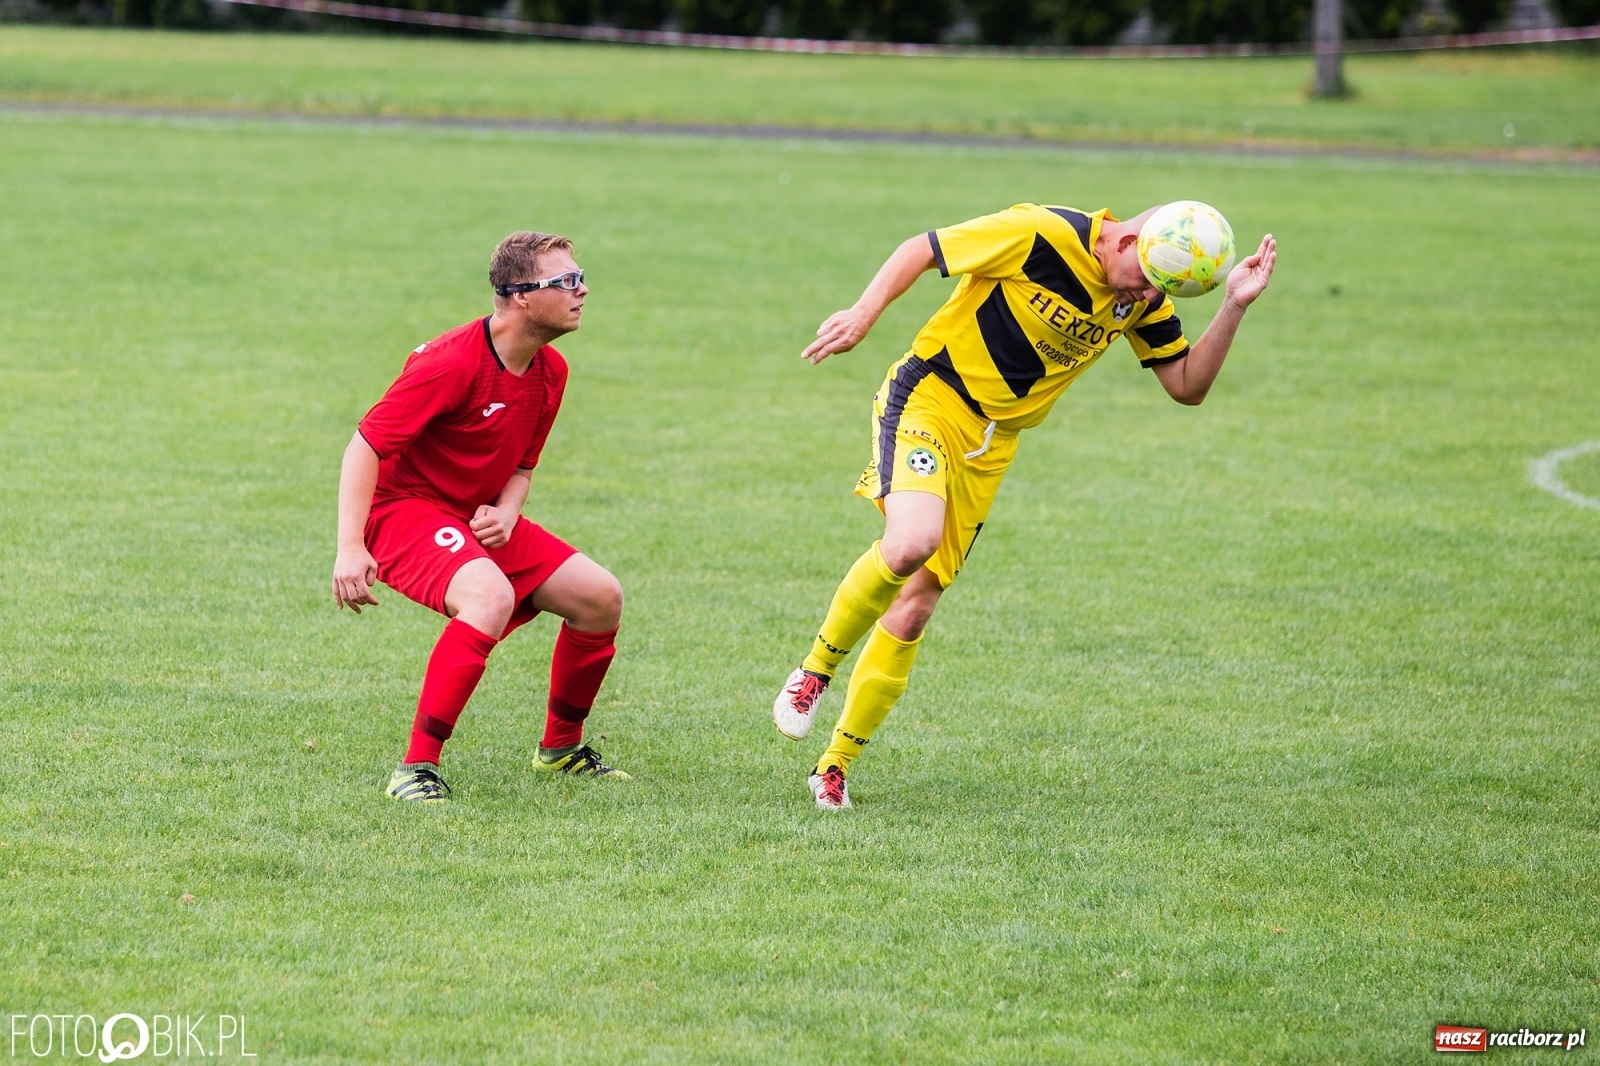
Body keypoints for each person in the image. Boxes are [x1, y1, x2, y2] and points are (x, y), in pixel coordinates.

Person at [773, 202, 1277, 809]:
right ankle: (814, 673)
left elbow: (1187, 386)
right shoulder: (1041, 233)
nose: (1145, 298)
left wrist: (1234, 305)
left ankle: (834, 767)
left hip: (992, 445)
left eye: (1159, 291)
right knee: (911, 543)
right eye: (1145, 279)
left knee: (915, 610)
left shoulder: (1142, 296)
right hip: (930, 398)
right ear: (1128, 241)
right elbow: (923, 248)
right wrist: (863, 313)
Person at [332, 231, 629, 803]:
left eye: (580, 276)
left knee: (599, 597)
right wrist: (350, 546)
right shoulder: (449, 363)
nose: (583, 290)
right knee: (488, 597)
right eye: (566, 281)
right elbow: (364, 446)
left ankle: (560, 750)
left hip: (472, 516)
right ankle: (414, 770)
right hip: (402, 512)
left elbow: (523, 463)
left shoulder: (551, 372)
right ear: (521, 296)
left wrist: (508, 511)